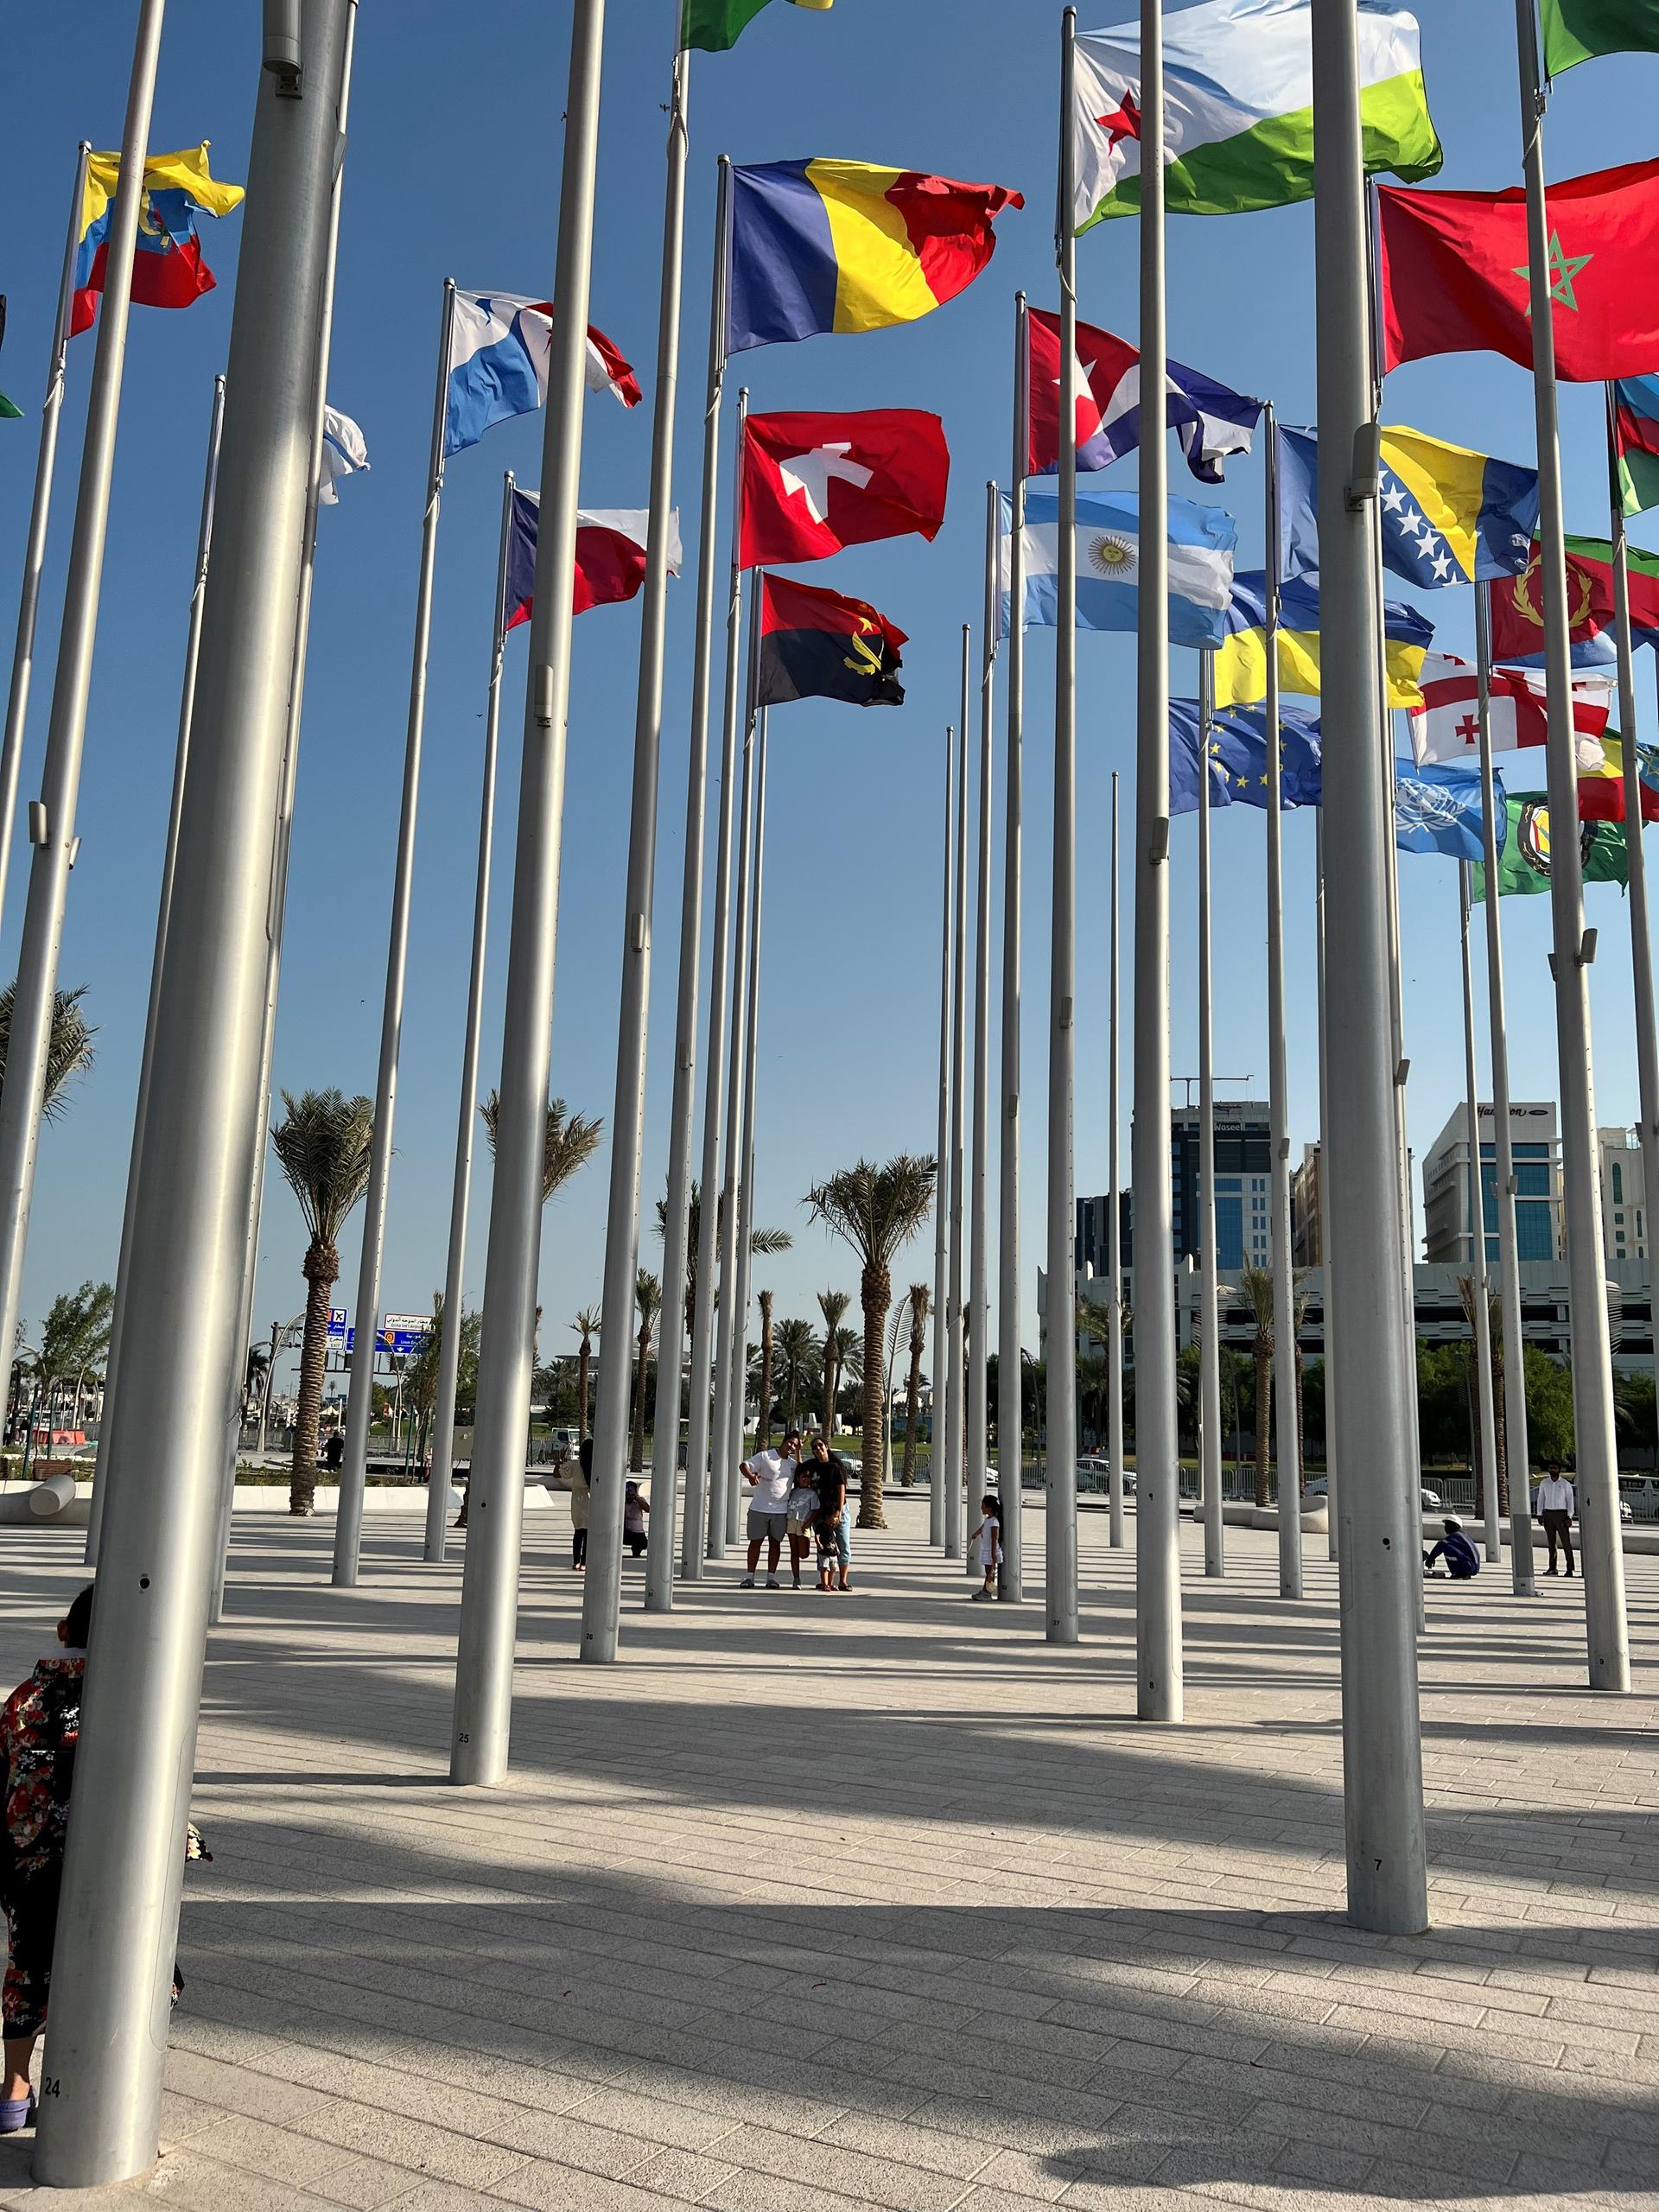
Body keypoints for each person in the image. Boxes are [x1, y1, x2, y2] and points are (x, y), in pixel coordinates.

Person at [0, 1584, 90, 2130]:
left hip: (27, 1862)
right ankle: (86, 2083)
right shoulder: (126, 1695)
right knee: (112, 1966)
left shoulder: (24, 1698)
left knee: (28, 1966)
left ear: (63, 1632)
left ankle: (13, 2093)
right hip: (101, 1864)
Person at [739, 1427, 799, 1588]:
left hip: (780, 1511)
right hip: (759, 1508)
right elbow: (744, 1465)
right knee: (755, 1543)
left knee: (775, 1544)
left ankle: (771, 1578)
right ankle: (749, 1577)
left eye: (795, 1446)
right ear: (784, 1441)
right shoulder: (765, 1456)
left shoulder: (793, 1465)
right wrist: (751, 1477)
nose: (792, 1447)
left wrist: (799, 1452)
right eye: (790, 1443)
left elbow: (803, 1472)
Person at [808, 1436, 853, 1593]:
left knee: (843, 1545)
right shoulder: (813, 1466)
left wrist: (839, 1512)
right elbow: (799, 1468)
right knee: (824, 1546)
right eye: (814, 1447)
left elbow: (842, 1490)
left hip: (839, 1510)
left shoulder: (836, 1466)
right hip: (822, 1511)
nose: (818, 1449)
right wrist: (799, 1450)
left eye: (820, 1445)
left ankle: (843, 1581)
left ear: (826, 1446)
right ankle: (825, 1582)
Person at [1535, 1462, 1577, 1577]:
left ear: (1559, 1470)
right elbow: (1541, 1498)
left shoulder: (1565, 1484)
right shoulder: (1544, 1483)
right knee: (1551, 1542)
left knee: (1566, 1542)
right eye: (1551, 1468)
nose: (1552, 1470)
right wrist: (1539, 1514)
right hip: (1548, 1514)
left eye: (1555, 1468)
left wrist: (1569, 1516)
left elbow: (1570, 1501)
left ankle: (1570, 1568)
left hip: (1561, 1514)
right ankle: (1552, 1568)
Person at [785, 1463, 820, 1588]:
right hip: (791, 1522)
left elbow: (816, 1509)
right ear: (798, 1478)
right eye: (803, 1477)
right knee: (794, 1551)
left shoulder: (812, 1494)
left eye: (808, 1477)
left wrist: (809, 1522)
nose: (805, 1479)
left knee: (804, 1554)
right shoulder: (793, 1491)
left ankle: (802, 1553)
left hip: (804, 1524)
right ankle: (796, 1578)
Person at [563, 1438, 594, 1571]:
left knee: (578, 1532)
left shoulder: (575, 1465)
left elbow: (561, 1474)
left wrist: (560, 1460)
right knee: (588, 1534)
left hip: (577, 1501)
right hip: (590, 1500)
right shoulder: (596, 1465)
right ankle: (584, 1563)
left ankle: (576, 1562)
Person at [1423, 1516, 1481, 1580]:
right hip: (1470, 1567)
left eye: (1447, 1525)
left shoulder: (1454, 1536)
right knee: (1446, 1545)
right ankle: (1462, 1572)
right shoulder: (1462, 1535)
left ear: (1455, 1526)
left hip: (1468, 1568)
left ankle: (1459, 1573)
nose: (1445, 1527)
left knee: (1446, 1547)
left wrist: (1430, 1559)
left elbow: (1440, 1545)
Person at [969, 1493, 1002, 1601]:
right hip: (987, 1550)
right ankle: (985, 1590)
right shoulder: (988, 1520)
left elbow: (994, 1539)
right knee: (988, 1572)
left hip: (991, 1551)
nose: (981, 1508)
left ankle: (987, 1593)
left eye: (983, 1506)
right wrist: (975, 1534)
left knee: (990, 1573)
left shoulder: (994, 1522)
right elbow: (982, 1528)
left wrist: (993, 1555)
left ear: (989, 1508)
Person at [623, 1479, 649, 1558]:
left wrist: (636, 1498)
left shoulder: (640, 1500)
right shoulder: (623, 1501)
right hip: (627, 1530)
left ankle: (636, 1551)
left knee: (643, 1543)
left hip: (638, 1531)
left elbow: (648, 1509)